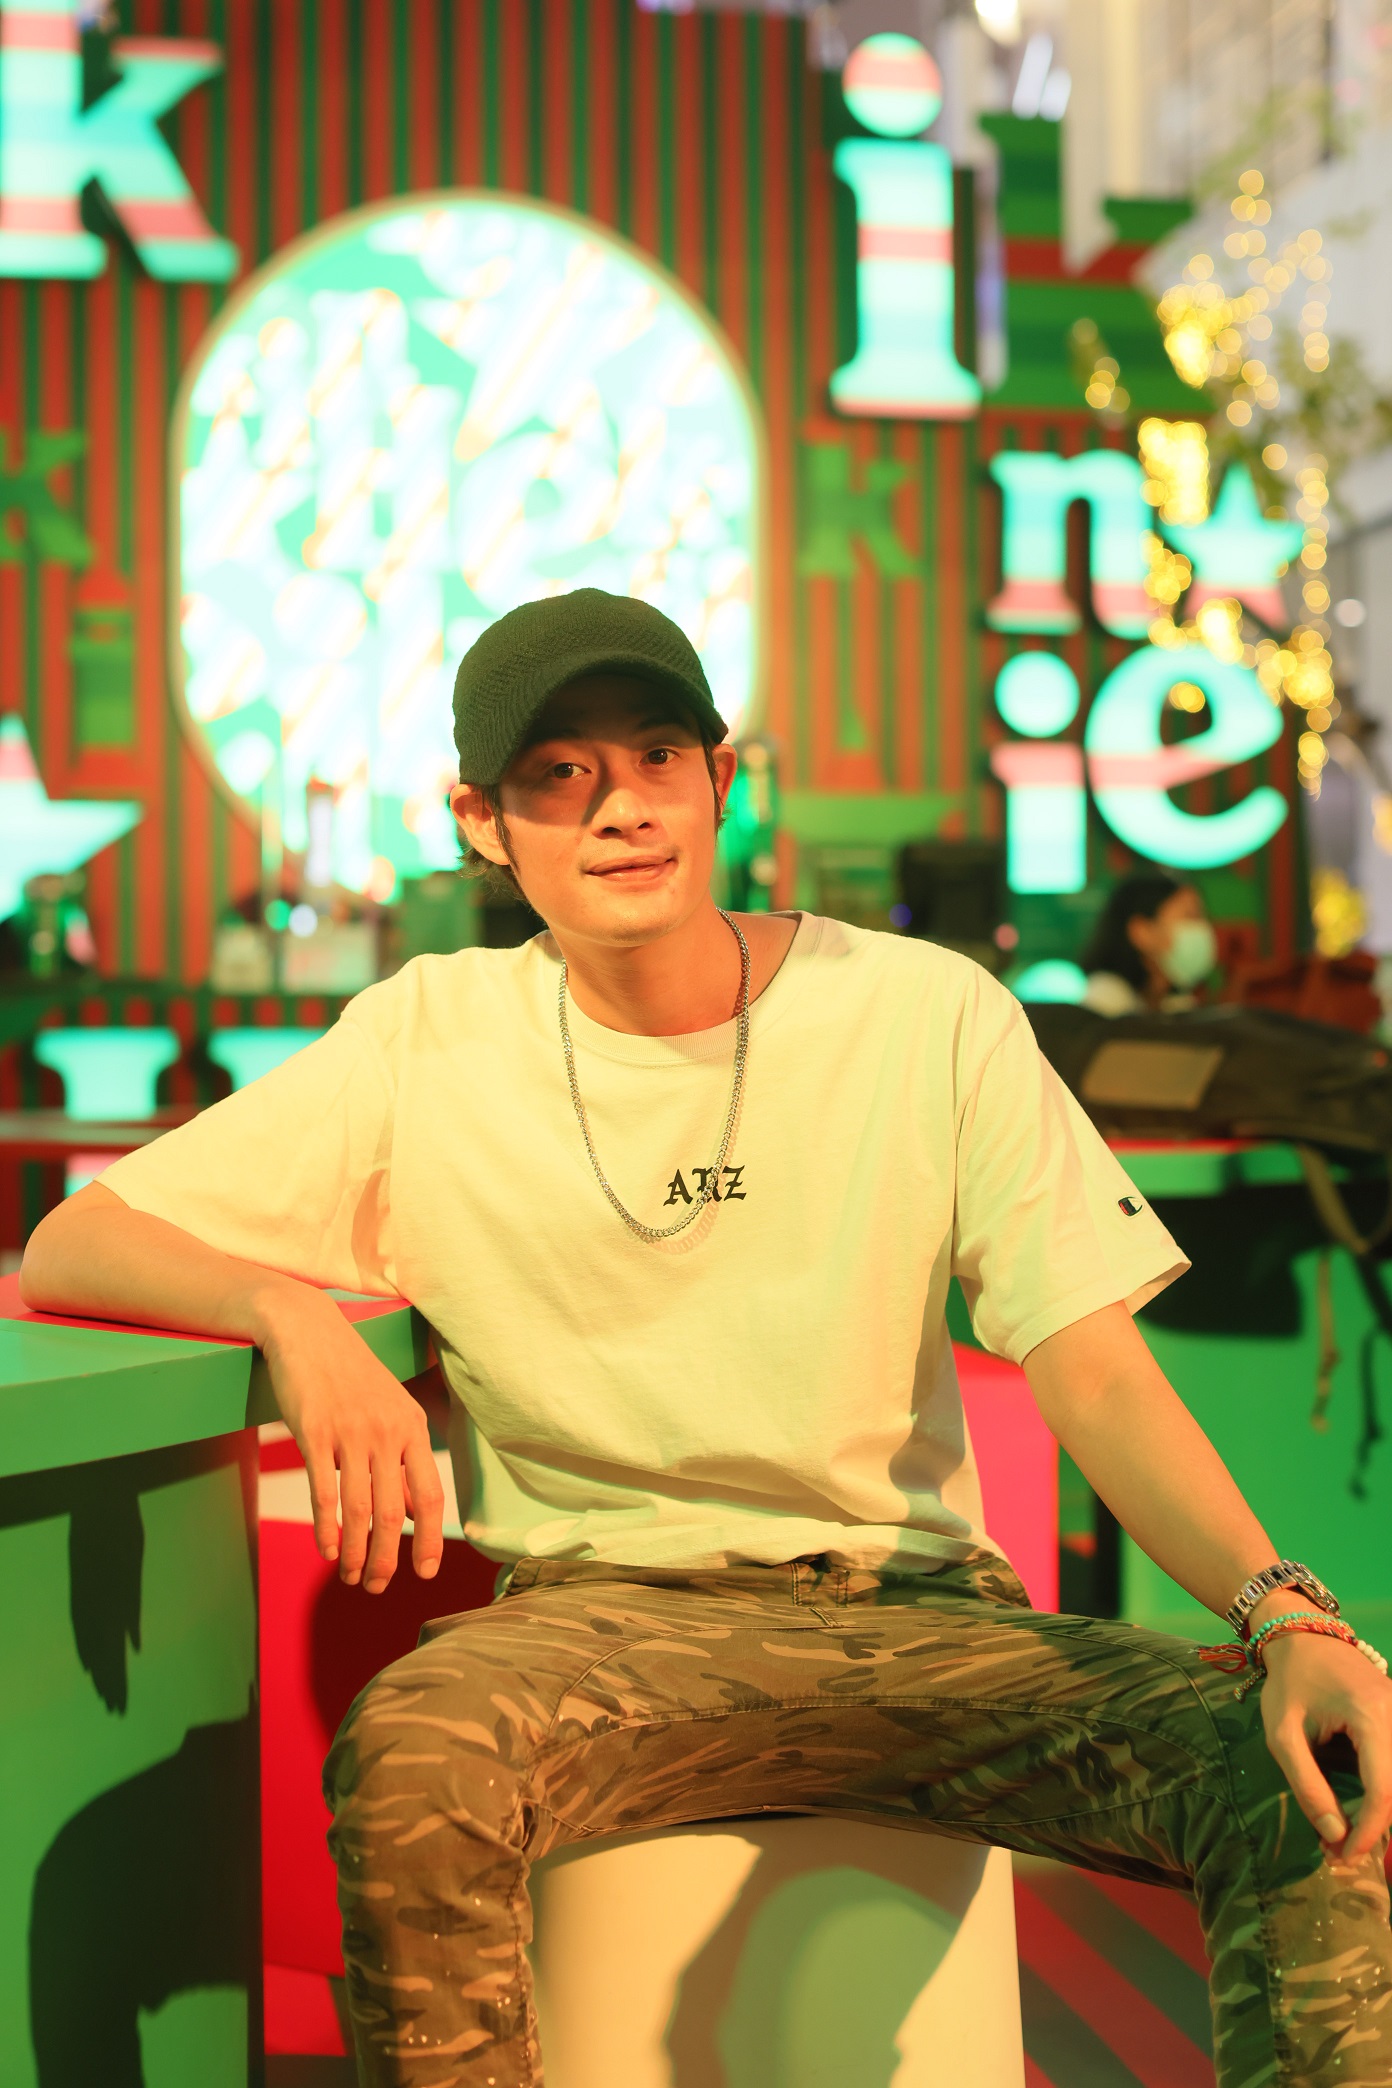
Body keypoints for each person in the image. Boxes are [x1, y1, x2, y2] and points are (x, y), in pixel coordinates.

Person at [21, 590, 1392, 2088]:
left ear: (719, 782)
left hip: (920, 1612)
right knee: (415, 1758)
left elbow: (1096, 1367)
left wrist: (1287, 1615)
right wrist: (289, 1315)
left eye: (657, 756)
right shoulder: (430, 1037)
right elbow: (80, 1236)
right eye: (560, 773)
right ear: (482, 823)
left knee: (1312, 1767)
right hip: (596, 1619)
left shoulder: (924, 1010)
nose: (621, 806)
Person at [1081, 870, 1219, 1016]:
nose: (1203, 928)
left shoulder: (1176, 1004)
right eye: (1189, 916)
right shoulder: (1105, 1002)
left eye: (1202, 916)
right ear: (1141, 931)